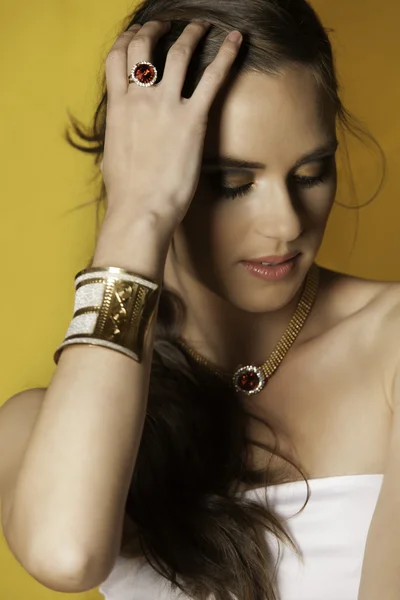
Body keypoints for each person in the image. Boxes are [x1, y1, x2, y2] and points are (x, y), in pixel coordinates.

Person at [1, 1, 399, 599]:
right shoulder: (40, 428)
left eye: (311, 173)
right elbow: (66, 554)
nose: (285, 223)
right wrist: (136, 216)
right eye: (231, 183)